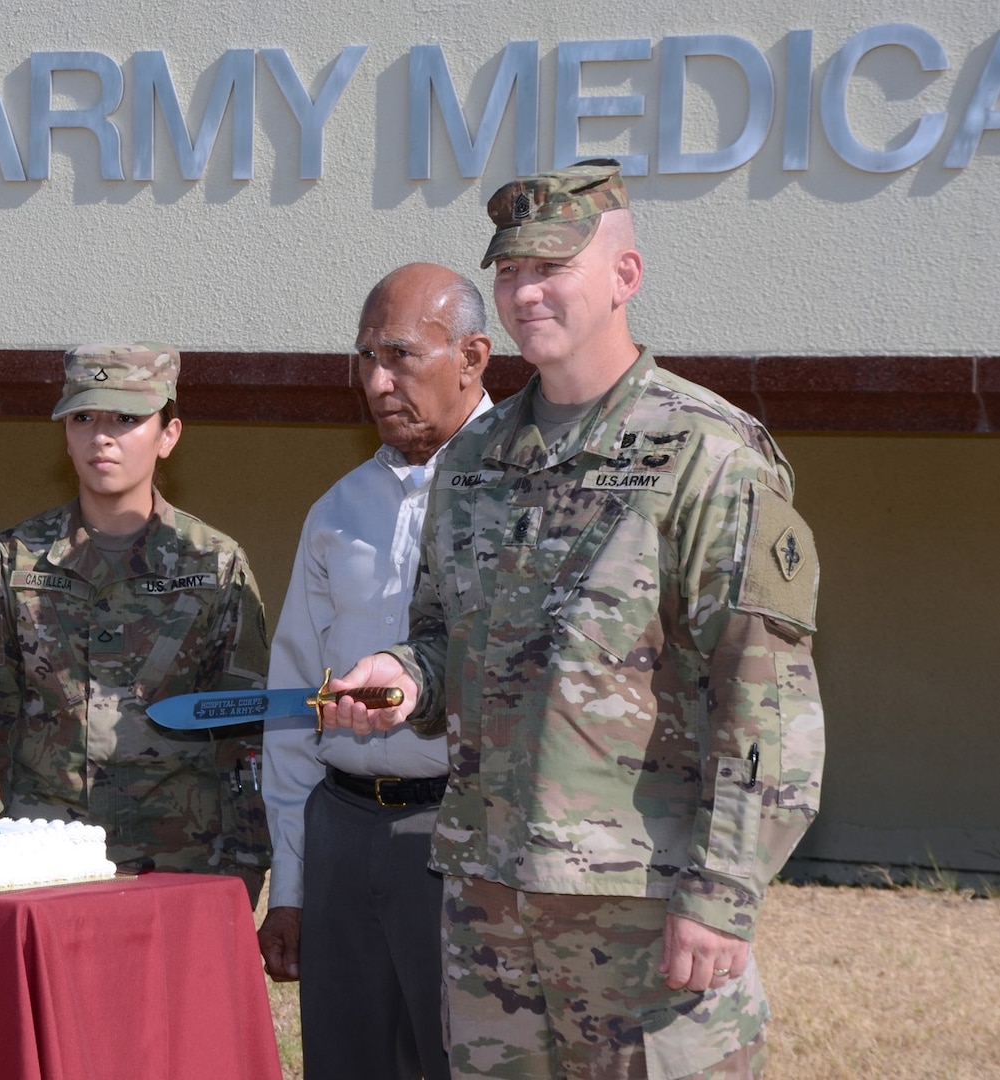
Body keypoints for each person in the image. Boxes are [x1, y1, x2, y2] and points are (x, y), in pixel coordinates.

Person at [321, 161, 824, 1078]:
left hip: (641, 908)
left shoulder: (706, 454)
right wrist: (404, 678)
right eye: (510, 272)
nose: (525, 292)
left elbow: (766, 703)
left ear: (624, 276)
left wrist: (720, 894)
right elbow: (442, 639)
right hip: (488, 907)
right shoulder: (472, 459)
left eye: (551, 267)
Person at [258, 263, 492, 1080]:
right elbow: (291, 700)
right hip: (343, 836)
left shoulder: (525, 492)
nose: (376, 381)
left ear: (472, 356)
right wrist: (290, 882)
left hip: (465, 841)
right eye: (363, 358)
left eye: (399, 355)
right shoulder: (339, 510)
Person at [0, 342, 271, 904]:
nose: (102, 437)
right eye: (83, 418)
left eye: (127, 419)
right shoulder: (13, 561)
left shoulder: (215, 566)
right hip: (41, 855)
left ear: (169, 434)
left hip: (180, 858)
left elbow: (243, 729)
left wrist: (243, 866)